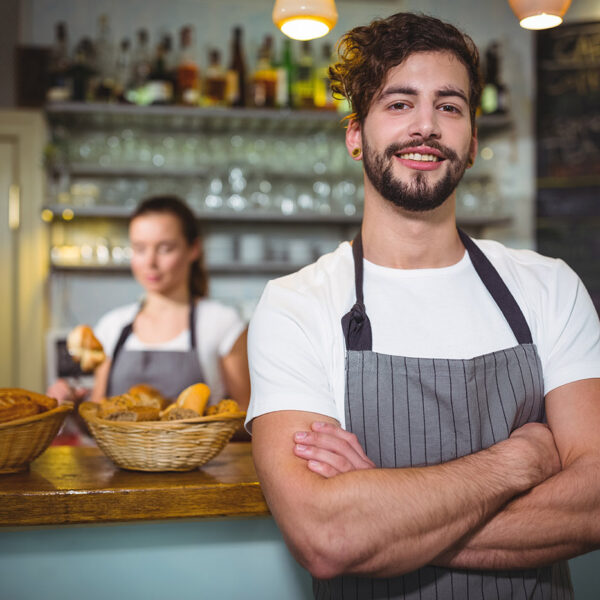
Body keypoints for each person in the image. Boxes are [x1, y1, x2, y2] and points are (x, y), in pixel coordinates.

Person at [246, 12, 600, 600]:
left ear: (473, 139)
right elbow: (327, 536)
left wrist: (384, 512)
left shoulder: (550, 287)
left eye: (450, 106)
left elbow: (593, 504)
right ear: (355, 134)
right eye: (399, 104)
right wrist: (517, 462)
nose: (427, 126)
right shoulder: (296, 305)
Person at [48, 195, 250, 416]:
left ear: (194, 249)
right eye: (140, 248)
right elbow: (98, 415)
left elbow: (246, 412)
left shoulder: (222, 323)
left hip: (195, 451)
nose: (150, 262)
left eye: (165, 248)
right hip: (119, 452)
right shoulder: (113, 325)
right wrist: (71, 405)